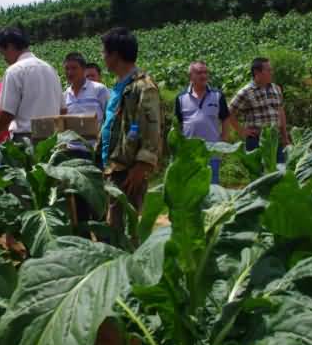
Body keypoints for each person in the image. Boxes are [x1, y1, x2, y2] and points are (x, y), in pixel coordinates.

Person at [98, 27, 162, 234]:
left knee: (127, 230)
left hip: (128, 170)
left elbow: (152, 127)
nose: (102, 57)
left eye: (104, 52)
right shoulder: (119, 86)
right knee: (113, 226)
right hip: (113, 167)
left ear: (115, 55)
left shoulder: (143, 87)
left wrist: (142, 165)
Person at [0, 27, 64, 147]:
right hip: (52, 139)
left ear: (10, 46)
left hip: (27, 140)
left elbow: (6, 115)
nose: (4, 59)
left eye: (3, 53)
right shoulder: (50, 69)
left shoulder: (14, 71)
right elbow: (63, 110)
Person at [174, 61, 229, 184]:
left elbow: (225, 118)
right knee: (191, 188)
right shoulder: (181, 98)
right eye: (199, 73)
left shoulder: (218, 95)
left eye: (205, 72)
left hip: (212, 152)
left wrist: (224, 142)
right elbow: (178, 125)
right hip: (190, 154)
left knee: (212, 187)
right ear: (190, 76)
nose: (203, 76)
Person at [228, 57, 288, 162]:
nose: (271, 72)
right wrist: (241, 131)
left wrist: (285, 137)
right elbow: (229, 112)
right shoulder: (246, 92)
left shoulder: (276, 89)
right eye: (268, 70)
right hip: (255, 140)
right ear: (257, 72)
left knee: (280, 169)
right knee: (258, 171)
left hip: (275, 139)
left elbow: (280, 112)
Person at [62, 52, 110, 157]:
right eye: (67, 69)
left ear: (83, 69)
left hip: (94, 150)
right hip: (71, 150)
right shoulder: (65, 95)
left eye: (74, 68)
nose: (70, 72)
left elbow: (110, 118)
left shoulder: (99, 89)